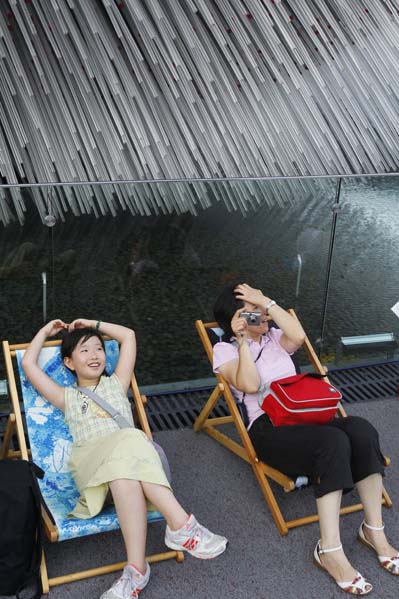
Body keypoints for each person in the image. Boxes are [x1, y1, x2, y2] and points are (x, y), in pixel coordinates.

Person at [212, 282, 399, 596]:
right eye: (251, 313)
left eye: (260, 310)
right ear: (236, 321)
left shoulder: (276, 337)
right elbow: (250, 382)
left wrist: (265, 301)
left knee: (362, 430)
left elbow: (299, 336)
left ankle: (374, 531)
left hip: (308, 417)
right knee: (333, 443)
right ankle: (329, 550)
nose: (261, 316)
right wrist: (243, 341)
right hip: (269, 429)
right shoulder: (225, 350)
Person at [22, 318, 227, 599]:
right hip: (93, 479)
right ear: (69, 363)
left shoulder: (116, 384)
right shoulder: (65, 397)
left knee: (124, 471)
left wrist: (94, 323)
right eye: (84, 350)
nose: (94, 355)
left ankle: (136, 571)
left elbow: (128, 336)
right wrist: (45, 331)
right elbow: (29, 366)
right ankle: (182, 524)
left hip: (126, 476)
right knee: (133, 436)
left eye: (98, 348)